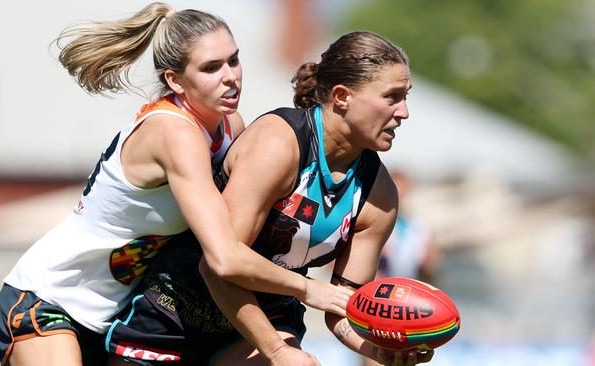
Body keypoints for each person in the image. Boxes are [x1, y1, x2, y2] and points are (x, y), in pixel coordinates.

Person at [0, 3, 349, 366]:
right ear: (174, 81)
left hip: (116, 315)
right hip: (50, 298)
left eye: (234, 60)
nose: (231, 76)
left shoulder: (230, 126)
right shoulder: (175, 133)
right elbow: (224, 256)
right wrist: (309, 289)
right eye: (211, 68)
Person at [106, 31, 434, 366]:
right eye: (392, 97)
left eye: (405, 96)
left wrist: (375, 349)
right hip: (173, 313)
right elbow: (218, 266)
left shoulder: (379, 193)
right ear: (341, 96)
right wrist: (279, 347)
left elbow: (343, 306)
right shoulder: (278, 145)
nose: (404, 112)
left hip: (266, 320)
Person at [376, 170, 439, 283]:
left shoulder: (419, 228)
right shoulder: (375, 224)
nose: (398, 199)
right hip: (380, 289)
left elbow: (430, 270)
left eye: (402, 194)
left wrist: (430, 262)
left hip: (408, 290)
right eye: (394, 194)